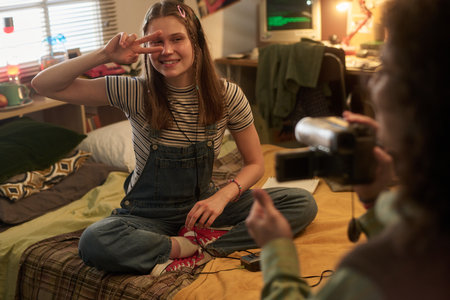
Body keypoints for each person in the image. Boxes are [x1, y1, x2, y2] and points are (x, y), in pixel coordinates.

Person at [31, 0, 317, 276]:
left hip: (204, 209)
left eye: (177, 39)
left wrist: (221, 197)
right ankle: (183, 247)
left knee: (300, 203)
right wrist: (105, 55)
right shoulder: (133, 91)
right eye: (156, 42)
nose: (166, 51)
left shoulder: (228, 95)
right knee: (94, 241)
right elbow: (43, 85)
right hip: (147, 217)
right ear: (145, 47)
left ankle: (211, 246)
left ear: (196, 42)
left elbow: (255, 163)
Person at [246, 0, 450, 299]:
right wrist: (375, 198)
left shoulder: (369, 273)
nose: (372, 84)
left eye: (386, 70)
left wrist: (277, 249)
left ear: (416, 102)